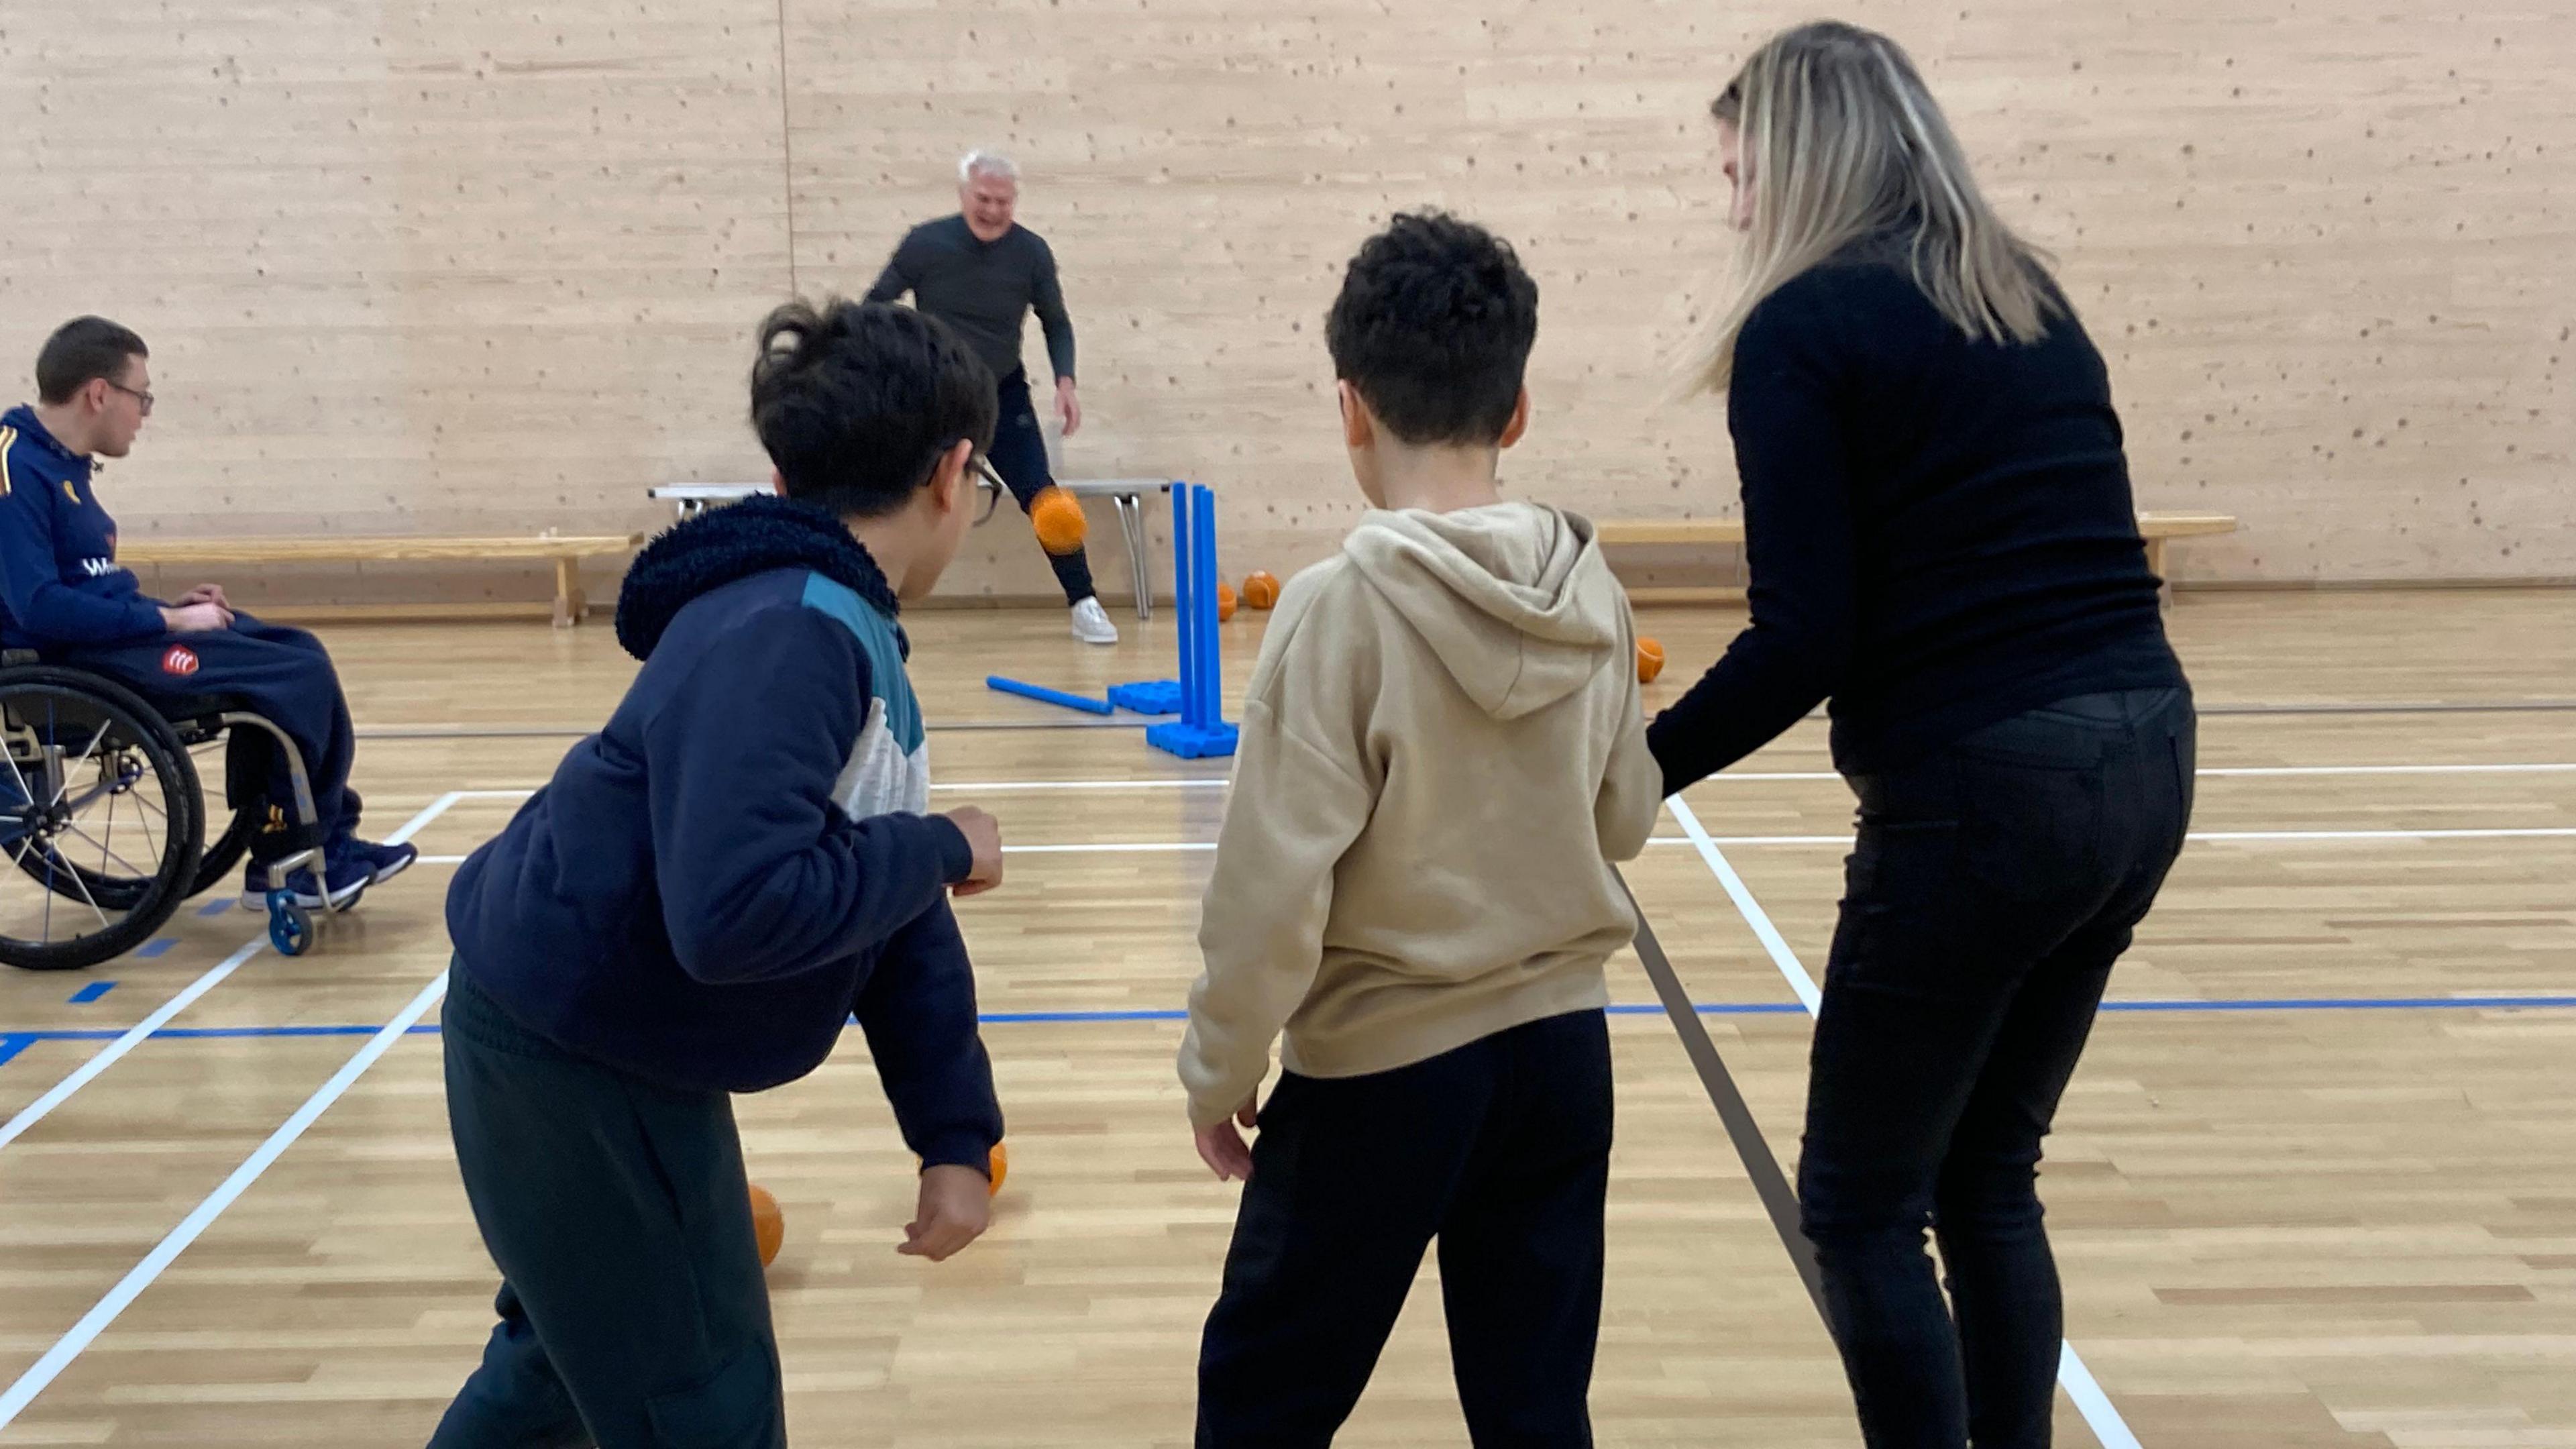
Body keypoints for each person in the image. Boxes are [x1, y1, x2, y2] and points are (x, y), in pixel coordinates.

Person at [1649, 23, 2196, 1448]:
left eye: (1739, 172)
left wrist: (1632, 774)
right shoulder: (2026, 294)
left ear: (1803, 160)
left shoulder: (1803, 327)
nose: (1734, 206)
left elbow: (1804, 636)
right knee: (1990, 1177)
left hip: (1990, 788)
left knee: (1861, 1210)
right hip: (2146, 752)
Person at [429, 299, 1009, 1447]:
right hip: (574, 1055)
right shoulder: (792, 632)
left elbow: (881, 899)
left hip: (594, 1035)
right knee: (705, 1398)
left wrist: (952, 1131)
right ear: (952, 475)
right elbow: (739, 913)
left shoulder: (835, 619)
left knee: (567, 1365)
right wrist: (942, 846)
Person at [1179, 213, 1665, 1446]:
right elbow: (1627, 815)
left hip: (1381, 1078)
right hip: (1563, 1059)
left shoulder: (1335, 611)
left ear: (1349, 407)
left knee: (1262, 1401)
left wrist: (1219, 1073)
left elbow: (1267, 896)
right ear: (1517, 412)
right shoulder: (1592, 587)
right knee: (1535, 1404)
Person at [0, 316, 417, 910]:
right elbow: (39, 607)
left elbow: (86, 585)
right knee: (289, 676)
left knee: (297, 650)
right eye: (141, 396)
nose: (145, 413)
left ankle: (309, 843)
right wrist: (168, 624)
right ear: (98, 393)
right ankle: (296, 857)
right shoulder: (15, 469)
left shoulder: (60, 462)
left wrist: (168, 608)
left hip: (114, 640)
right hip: (75, 666)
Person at [865, 149, 1118, 644]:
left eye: (1004, 201)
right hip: (935, 398)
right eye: (984, 199)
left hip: (1003, 395)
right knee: (898, 499)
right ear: (964, 195)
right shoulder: (925, 244)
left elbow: (1057, 323)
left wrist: (1065, 381)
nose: (993, 211)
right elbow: (874, 307)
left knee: (1045, 500)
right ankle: (876, 607)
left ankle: (1084, 602)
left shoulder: (1032, 254)